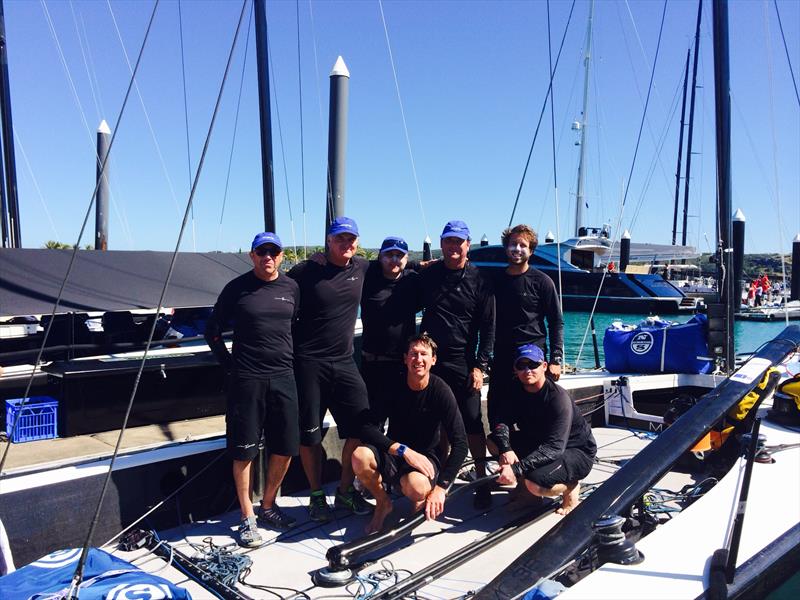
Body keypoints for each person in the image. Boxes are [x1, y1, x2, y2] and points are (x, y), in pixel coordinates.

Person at [205, 232, 300, 547]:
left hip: (283, 376)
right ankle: (247, 516)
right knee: (244, 449)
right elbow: (212, 331)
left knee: (286, 446)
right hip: (247, 379)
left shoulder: (291, 288)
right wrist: (230, 366)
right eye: (262, 251)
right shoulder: (237, 289)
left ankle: (268, 505)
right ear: (252, 255)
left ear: (281, 256)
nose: (268, 257)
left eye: (273, 251)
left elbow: (295, 328)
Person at [287, 216, 373, 521]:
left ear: (357, 243)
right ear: (329, 241)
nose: (346, 244)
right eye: (340, 239)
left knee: (362, 425)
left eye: (351, 239)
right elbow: (277, 293)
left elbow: (397, 267)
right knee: (310, 435)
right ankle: (316, 495)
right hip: (309, 364)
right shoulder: (306, 270)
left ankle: (345, 491)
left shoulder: (362, 267)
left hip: (344, 361)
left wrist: (425, 266)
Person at [353, 333, 468, 533]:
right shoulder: (392, 385)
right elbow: (367, 428)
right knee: (359, 456)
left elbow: (460, 443)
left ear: (433, 360)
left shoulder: (441, 391)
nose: (418, 359)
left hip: (425, 457)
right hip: (397, 453)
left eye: (424, 354)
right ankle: (383, 503)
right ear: (405, 359)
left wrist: (441, 489)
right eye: (413, 354)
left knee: (417, 488)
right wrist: (402, 450)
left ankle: (420, 496)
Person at [416, 220, 495, 509]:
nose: (453, 247)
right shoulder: (429, 274)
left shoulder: (480, 280)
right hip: (432, 362)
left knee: (473, 423)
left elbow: (488, 328)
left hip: (464, 362)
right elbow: (401, 275)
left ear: (467, 245)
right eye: (448, 241)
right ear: (441, 243)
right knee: (438, 423)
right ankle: (440, 481)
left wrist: (481, 367)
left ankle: (482, 479)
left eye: (458, 242)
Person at [491, 344, 597, 515]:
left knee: (536, 483)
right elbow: (501, 421)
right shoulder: (514, 390)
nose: (527, 370)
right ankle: (528, 496)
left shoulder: (558, 398)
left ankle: (570, 486)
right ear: (515, 369)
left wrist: (517, 469)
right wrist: (506, 449)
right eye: (521, 366)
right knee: (493, 442)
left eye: (533, 365)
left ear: (544, 366)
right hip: (540, 441)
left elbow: (555, 447)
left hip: (575, 450)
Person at [489, 224, 564, 435]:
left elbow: (556, 322)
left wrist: (556, 360)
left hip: (532, 358)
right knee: (497, 413)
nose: (517, 249)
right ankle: (505, 458)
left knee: (533, 416)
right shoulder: (495, 280)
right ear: (506, 248)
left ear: (531, 250)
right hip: (503, 357)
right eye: (513, 244)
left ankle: (533, 462)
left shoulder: (543, 282)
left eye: (523, 245)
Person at [360, 236, 420, 427]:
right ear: (379, 256)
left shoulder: (413, 281)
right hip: (372, 365)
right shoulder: (367, 278)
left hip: (403, 365)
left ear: (406, 257)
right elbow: (352, 263)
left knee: (403, 423)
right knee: (371, 425)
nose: (394, 259)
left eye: (399, 255)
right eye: (389, 255)